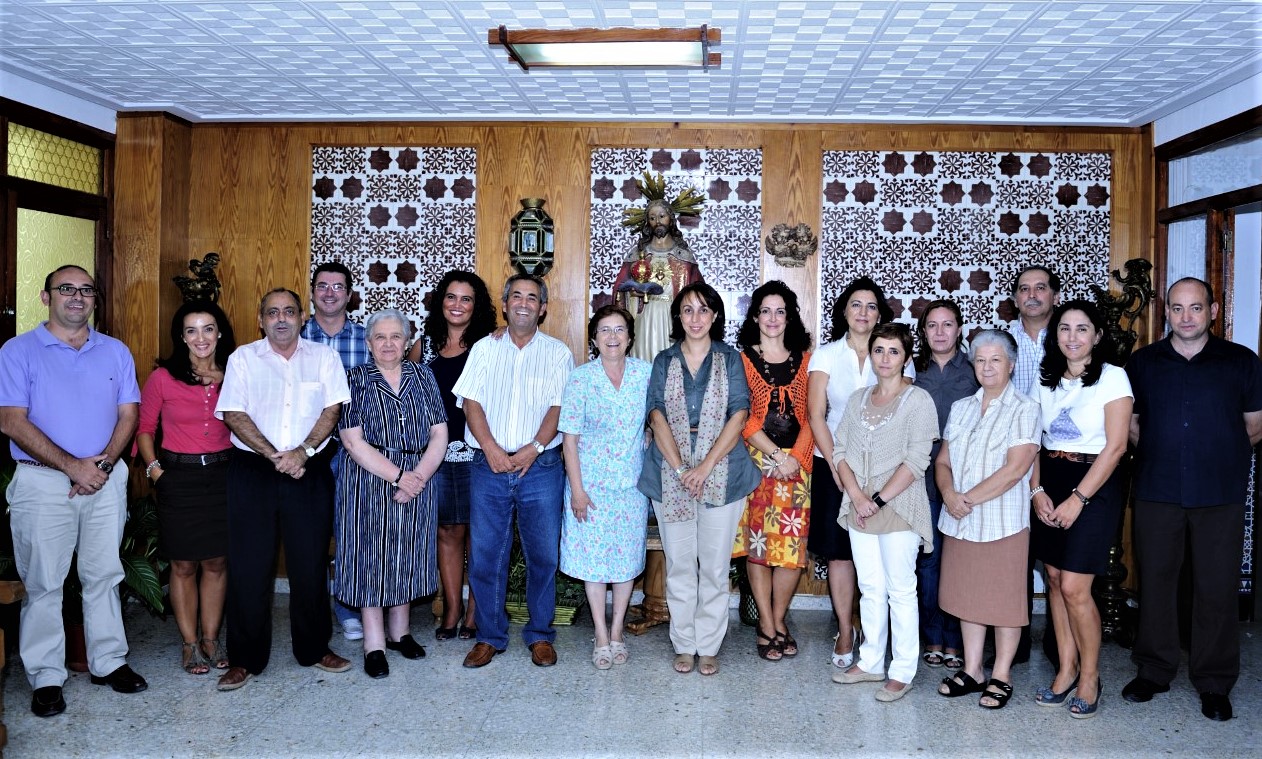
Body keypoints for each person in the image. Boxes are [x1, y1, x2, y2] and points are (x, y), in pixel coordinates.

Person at [0, 265, 146, 717]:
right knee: (44, 582)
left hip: (104, 479)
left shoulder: (115, 351)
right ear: (46, 298)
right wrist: (72, 467)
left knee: (104, 575)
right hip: (42, 482)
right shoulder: (18, 350)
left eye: (86, 289)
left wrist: (100, 465)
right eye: (66, 289)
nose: (77, 297)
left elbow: (129, 414)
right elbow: (12, 421)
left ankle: (108, 662)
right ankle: (46, 676)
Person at [1122, 277, 1262, 722]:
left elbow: (1255, 426)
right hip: (1156, 490)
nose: (1186, 317)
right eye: (1177, 308)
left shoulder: (1241, 362)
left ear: (1214, 311)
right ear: (1166, 311)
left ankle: (1215, 682)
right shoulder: (1142, 363)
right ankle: (1154, 670)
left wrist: (1214, 456)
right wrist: (1163, 453)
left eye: (1196, 308)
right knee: (1157, 583)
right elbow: (1131, 423)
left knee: (1216, 588)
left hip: (1219, 492)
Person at [213, 288, 353, 691]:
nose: (281, 319)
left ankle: (314, 648)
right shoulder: (243, 358)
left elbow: (333, 408)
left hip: (307, 470)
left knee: (309, 565)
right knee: (250, 567)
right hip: (254, 470)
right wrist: (276, 454)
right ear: (261, 319)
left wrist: (303, 452)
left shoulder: (323, 357)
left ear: (302, 318)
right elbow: (234, 413)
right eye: (272, 312)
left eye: (289, 312)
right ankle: (244, 659)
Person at [453, 273, 573, 669]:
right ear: (504, 304)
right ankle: (489, 636)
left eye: (532, 298)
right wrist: (490, 448)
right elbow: (471, 403)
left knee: (543, 556)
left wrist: (533, 448)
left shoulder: (557, 352)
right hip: (489, 465)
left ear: (542, 308)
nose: (523, 303)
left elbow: (558, 408)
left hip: (541, 466)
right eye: (516, 296)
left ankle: (540, 635)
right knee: (487, 556)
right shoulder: (484, 349)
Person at [640, 282, 760, 676]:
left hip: (722, 470)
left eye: (703, 310)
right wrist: (680, 470)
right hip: (669, 469)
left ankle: (708, 644)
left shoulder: (731, 359)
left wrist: (704, 467)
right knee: (678, 564)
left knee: (712, 565)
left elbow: (739, 414)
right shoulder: (664, 360)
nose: (696, 318)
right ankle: (684, 642)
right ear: (678, 316)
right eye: (688, 310)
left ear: (715, 316)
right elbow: (655, 414)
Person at [1029, 300, 1132, 719]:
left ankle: (1090, 676)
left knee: (1075, 586)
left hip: (1095, 485)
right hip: (1050, 477)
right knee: (1053, 578)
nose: (1072, 337)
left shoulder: (1113, 378)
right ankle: (1066, 668)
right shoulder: (1045, 378)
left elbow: (1117, 446)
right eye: (1065, 329)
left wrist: (1079, 498)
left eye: (1082, 329)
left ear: (1097, 336)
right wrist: (1036, 489)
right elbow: (1033, 439)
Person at [336, 309, 447, 678]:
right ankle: (374, 643)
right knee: (370, 558)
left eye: (395, 337)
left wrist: (417, 477)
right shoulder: (352, 380)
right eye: (380, 337)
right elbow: (352, 441)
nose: (388, 344)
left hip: (419, 478)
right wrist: (399, 476)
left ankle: (400, 633)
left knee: (406, 554)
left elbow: (439, 434)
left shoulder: (423, 375)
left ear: (406, 341)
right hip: (368, 481)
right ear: (368, 343)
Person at [830, 322, 936, 702]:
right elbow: (839, 449)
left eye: (894, 351)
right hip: (858, 506)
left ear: (906, 357)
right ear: (870, 355)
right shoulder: (859, 398)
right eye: (879, 350)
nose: (885, 358)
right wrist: (857, 496)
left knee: (900, 590)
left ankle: (903, 668)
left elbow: (917, 459)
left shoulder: (918, 400)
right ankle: (872, 661)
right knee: (870, 587)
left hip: (899, 506)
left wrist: (876, 500)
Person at [934, 330, 1040, 710]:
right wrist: (949, 495)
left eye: (996, 360)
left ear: (1011, 365)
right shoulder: (962, 408)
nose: (987, 367)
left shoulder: (1024, 408)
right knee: (968, 597)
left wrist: (967, 499)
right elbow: (943, 461)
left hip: (1002, 522)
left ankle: (1002, 674)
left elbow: (1016, 470)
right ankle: (974, 669)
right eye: (980, 360)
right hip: (960, 519)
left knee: (1004, 600)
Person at [807, 276, 906, 671]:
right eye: (855, 305)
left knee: (881, 552)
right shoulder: (827, 356)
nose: (863, 312)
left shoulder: (894, 354)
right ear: (844, 311)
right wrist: (836, 465)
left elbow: (903, 411)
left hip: (883, 472)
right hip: (832, 465)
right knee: (840, 554)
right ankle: (846, 630)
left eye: (870, 306)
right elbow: (816, 415)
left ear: (879, 313)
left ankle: (876, 632)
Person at [137, 300, 237, 675]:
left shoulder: (235, 373)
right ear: (181, 337)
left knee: (216, 561)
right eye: (192, 330)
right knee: (182, 565)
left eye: (208, 328)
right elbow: (145, 428)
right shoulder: (163, 377)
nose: (201, 338)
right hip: (177, 477)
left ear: (219, 333)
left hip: (223, 476)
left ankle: (212, 639)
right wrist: (155, 471)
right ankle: (189, 643)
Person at [559, 304, 651, 669]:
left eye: (619, 330)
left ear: (629, 338)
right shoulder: (581, 378)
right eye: (605, 330)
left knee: (625, 564)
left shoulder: (645, 374)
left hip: (631, 488)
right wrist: (577, 490)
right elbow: (569, 439)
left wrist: (645, 434)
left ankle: (617, 632)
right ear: (594, 339)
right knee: (595, 564)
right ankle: (600, 633)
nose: (612, 337)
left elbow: (657, 419)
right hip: (590, 488)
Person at [407, 271, 496, 641]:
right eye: (451, 297)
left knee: (480, 533)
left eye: (466, 299)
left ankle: (475, 610)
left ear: (477, 307)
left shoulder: (490, 344)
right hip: (436, 454)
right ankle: (452, 608)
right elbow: (408, 397)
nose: (457, 305)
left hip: (479, 451)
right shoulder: (422, 346)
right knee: (447, 530)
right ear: (440, 301)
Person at [732, 281, 814, 661]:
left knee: (791, 552)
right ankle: (766, 624)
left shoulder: (807, 359)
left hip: (798, 467)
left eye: (780, 311)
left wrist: (795, 457)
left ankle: (778, 620)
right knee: (759, 549)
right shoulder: (743, 359)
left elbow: (815, 415)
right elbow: (743, 417)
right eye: (765, 310)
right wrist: (775, 457)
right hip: (757, 465)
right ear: (754, 316)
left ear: (790, 316)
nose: (772, 318)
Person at [300, 261, 368, 642]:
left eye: (337, 287)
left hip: (349, 452)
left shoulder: (365, 339)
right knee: (307, 533)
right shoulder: (293, 337)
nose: (329, 293)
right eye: (322, 286)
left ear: (348, 294)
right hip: (301, 452)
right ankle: (309, 610)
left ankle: (346, 608)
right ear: (312, 292)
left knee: (348, 533)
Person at [912, 299, 977, 671]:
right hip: (919, 482)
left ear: (959, 329)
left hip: (963, 481)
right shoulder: (911, 370)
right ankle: (934, 636)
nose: (940, 332)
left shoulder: (973, 370)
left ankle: (958, 639)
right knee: (929, 563)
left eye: (947, 324)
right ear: (924, 331)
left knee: (961, 562)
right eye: (932, 325)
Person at [1007, 264, 1062, 665]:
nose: (1032, 295)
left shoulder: (1070, 339)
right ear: (1014, 300)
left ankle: (1062, 642)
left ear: (1054, 296)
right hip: (1011, 463)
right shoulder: (1001, 343)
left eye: (1040, 288)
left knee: (1059, 557)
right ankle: (1016, 639)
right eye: (1024, 289)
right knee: (1014, 556)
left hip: (1059, 460)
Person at [611, 198, 703, 361]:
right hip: (644, 315)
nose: (657, 221)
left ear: (671, 219)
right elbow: (620, 290)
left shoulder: (684, 255)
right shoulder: (637, 254)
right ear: (647, 222)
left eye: (662, 216)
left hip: (674, 318)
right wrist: (631, 293)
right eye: (652, 218)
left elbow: (700, 293)